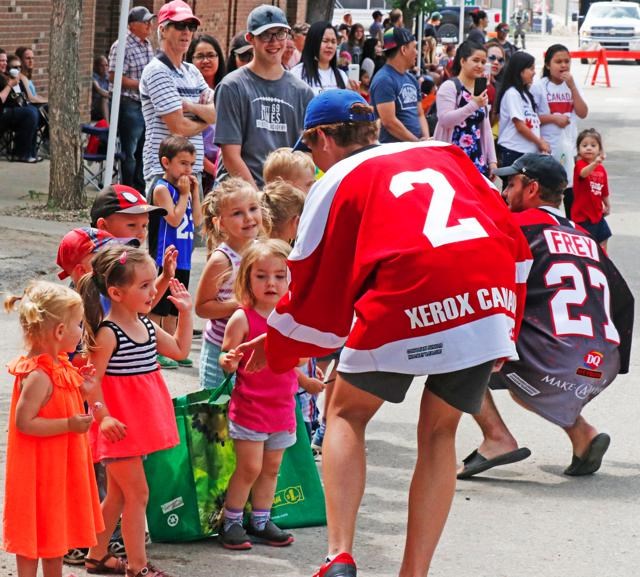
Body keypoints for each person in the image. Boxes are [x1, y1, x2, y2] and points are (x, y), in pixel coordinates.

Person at [245, 89, 531, 577]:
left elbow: (311, 275)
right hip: (488, 291)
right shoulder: (446, 153)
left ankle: (339, 554)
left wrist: (280, 344)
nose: (313, 160)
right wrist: (508, 324)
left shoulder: (335, 178)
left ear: (322, 139)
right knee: (440, 433)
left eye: (311, 149)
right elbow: (513, 240)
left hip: (410, 287)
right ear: (370, 130)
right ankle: (413, 572)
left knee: (346, 414)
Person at [458, 153, 633, 479]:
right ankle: (583, 436)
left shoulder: (514, 227)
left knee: (462, 348)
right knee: (521, 370)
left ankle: (496, 438)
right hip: (600, 364)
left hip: (556, 362)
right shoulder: (586, 237)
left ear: (532, 188)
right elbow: (624, 299)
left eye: (511, 184)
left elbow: (489, 287)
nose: (505, 193)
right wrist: (616, 361)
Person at [78, 246, 192, 577]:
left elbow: (182, 350)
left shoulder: (145, 325)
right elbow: (91, 383)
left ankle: (95, 557)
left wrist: (185, 312)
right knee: (137, 495)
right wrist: (104, 417)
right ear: (115, 293)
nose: (153, 290)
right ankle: (138, 568)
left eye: (152, 283)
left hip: (136, 429)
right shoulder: (108, 333)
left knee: (117, 497)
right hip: (117, 429)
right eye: (144, 286)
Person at [3, 281, 104, 577]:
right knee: (33, 531)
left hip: (55, 468)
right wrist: (70, 424)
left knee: (53, 530)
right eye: (78, 325)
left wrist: (83, 391)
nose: (81, 333)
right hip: (39, 471)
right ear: (60, 332)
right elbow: (26, 422)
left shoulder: (58, 366)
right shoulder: (38, 375)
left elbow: (62, 402)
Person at [217, 239, 298, 549]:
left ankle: (261, 520)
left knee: (272, 468)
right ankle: (232, 520)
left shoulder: (290, 319)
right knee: (249, 467)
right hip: (250, 407)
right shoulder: (242, 317)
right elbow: (225, 358)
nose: (271, 283)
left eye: (280, 275)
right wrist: (229, 360)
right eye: (261, 275)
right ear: (247, 279)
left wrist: (307, 378)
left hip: (282, 408)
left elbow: (298, 359)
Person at [214, 4, 314, 188]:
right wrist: (259, 200)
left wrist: (288, 198)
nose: (274, 42)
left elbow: (305, 154)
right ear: (250, 38)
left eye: (280, 33)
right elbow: (230, 155)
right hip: (240, 195)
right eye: (266, 35)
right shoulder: (232, 86)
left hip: (284, 198)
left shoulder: (303, 92)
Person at [139, 0, 215, 196]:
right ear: (163, 29)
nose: (187, 32)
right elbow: (178, 127)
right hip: (163, 172)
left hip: (193, 169)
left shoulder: (192, 71)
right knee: (165, 227)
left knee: (194, 228)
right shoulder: (156, 71)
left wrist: (189, 106)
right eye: (180, 25)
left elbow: (218, 111)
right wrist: (205, 118)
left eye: (191, 26)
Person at [195, 178, 264, 390]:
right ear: (220, 223)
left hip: (252, 346)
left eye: (253, 208)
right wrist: (240, 304)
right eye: (237, 213)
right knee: (217, 415)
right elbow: (202, 307)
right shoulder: (222, 260)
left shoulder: (262, 250)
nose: (249, 218)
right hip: (221, 350)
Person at [148, 136, 202, 368]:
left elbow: (198, 220)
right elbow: (173, 219)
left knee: (174, 306)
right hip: (164, 256)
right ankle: (152, 348)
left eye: (191, 164)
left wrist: (194, 193)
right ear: (166, 162)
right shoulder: (162, 189)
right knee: (158, 304)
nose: (188, 169)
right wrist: (182, 195)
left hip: (184, 256)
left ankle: (170, 347)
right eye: (183, 163)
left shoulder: (184, 189)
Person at [90, 183, 178, 315]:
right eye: (132, 225)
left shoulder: (128, 259)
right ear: (103, 225)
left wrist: (165, 277)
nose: (141, 233)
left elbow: (140, 307)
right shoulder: (93, 263)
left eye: (144, 226)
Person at [531, 44, 588, 218]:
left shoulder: (573, 85)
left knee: (569, 192)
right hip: (548, 149)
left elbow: (583, 112)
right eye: (558, 62)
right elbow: (530, 118)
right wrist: (553, 118)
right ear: (548, 65)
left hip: (568, 148)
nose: (563, 65)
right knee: (548, 195)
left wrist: (572, 87)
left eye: (567, 61)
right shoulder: (539, 87)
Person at [108, 6, 155, 193]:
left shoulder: (148, 45)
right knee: (130, 151)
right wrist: (141, 84)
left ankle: (141, 189)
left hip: (145, 104)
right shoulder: (122, 45)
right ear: (132, 25)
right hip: (128, 104)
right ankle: (127, 190)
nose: (149, 25)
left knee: (145, 148)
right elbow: (114, 76)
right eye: (145, 22)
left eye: (150, 21)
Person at [434, 41, 496, 179]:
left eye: (483, 62)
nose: (480, 65)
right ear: (462, 61)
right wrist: (473, 105)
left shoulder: (480, 90)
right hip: (451, 159)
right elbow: (445, 120)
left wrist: (492, 161)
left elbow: (485, 128)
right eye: (475, 60)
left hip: (476, 160)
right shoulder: (450, 87)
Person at [370, 27, 429, 143]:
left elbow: (420, 113)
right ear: (403, 49)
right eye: (414, 47)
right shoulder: (384, 80)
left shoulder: (411, 78)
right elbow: (389, 122)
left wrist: (426, 140)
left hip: (414, 148)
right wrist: (416, 143)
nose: (417, 52)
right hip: (394, 152)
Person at [186, 33, 226, 193]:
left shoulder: (228, 89)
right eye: (200, 56)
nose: (206, 61)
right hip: (198, 169)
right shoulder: (188, 94)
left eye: (211, 55)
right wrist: (213, 169)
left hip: (224, 166)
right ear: (191, 59)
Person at [496, 51, 549, 168]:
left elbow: (532, 124)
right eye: (530, 68)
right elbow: (520, 126)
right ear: (520, 71)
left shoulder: (525, 95)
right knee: (515, 185)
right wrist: (539, 142)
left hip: (526, 152)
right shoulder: (512, 94)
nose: (534, 72)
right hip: (514, 150)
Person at [572, 128, 612, 250]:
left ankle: (604, 264)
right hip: (583, 216)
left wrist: (607, 205)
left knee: (604, 239)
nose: (588, 148)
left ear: (599, 150)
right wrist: (595, 163)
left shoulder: (601, 170)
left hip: (597, 214)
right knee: (587, 245)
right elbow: (583, 174)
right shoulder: (580, 165)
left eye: (593, 145)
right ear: (578, 150)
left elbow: (604, 191)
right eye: (584, 145)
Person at [291, 21, 350, 95]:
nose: (330, 46)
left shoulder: (342, 76)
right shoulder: (297, 74)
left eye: (333, 41)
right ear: (313, 42)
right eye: (325, 41)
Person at [0, 53, 39, 162]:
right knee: (29, 113)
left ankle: (31, 152)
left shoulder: (7, 77)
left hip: (10, 111)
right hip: (3, 112)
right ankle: (21, 153)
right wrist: (10, 85)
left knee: (34, 110)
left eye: (5, 61)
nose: (4, 63)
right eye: (1, 61)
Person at [91, 55, 110, 122]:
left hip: (107, 105)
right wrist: (113, 95)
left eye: (106, 65)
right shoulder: (93, 76)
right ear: (95, 66)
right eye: (101, 66)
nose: (104, 68)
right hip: (95, 108)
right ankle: (107, 127)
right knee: (104, 98)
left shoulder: (108, 77)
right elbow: (98, 89)